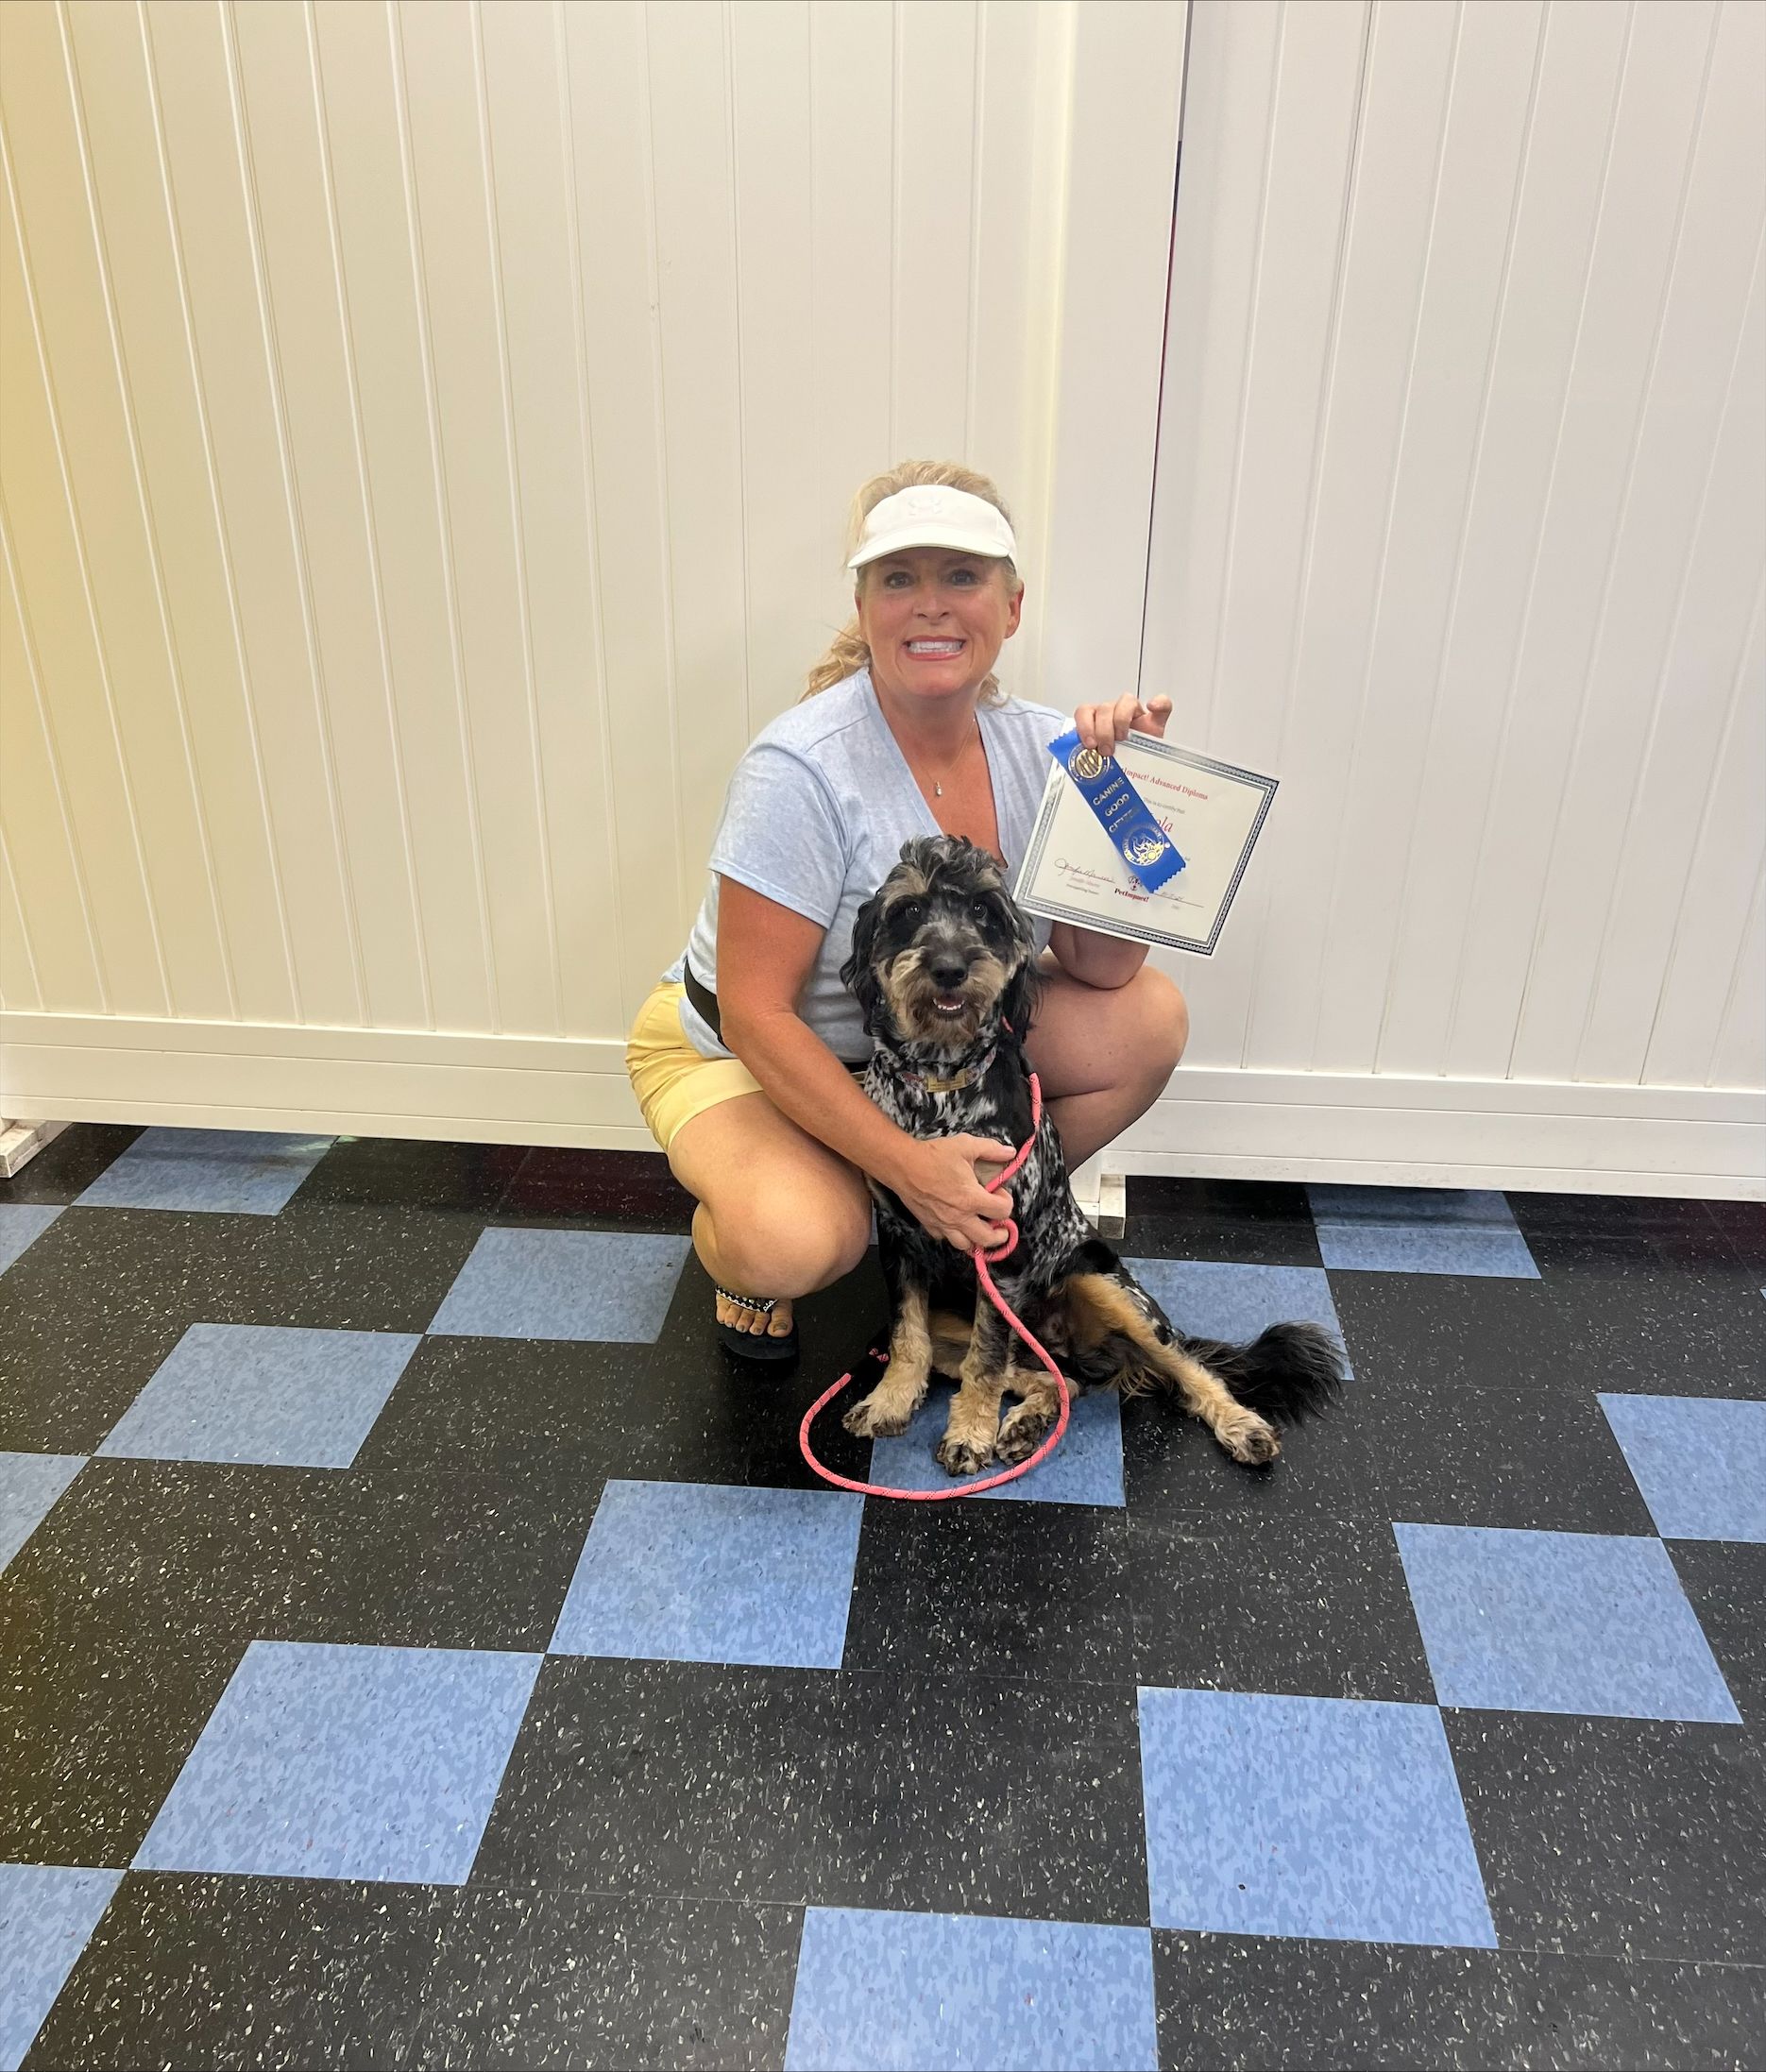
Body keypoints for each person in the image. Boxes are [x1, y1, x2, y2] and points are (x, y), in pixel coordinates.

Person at [624, 460, 1190, 1362]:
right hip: (749, 1046)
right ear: (864, 608)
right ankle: (798, 1231)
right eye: (899, 579)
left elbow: (1105, 971)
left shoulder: (1054, 752)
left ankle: (971, 1217)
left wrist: (1132, 804)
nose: (930, 605)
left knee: (1150, 1018)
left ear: (1010, 607)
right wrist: (903, 1164)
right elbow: (756, 1012)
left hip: (932, 1052)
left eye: (961, 576)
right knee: (796, 1242)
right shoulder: (802, 768)